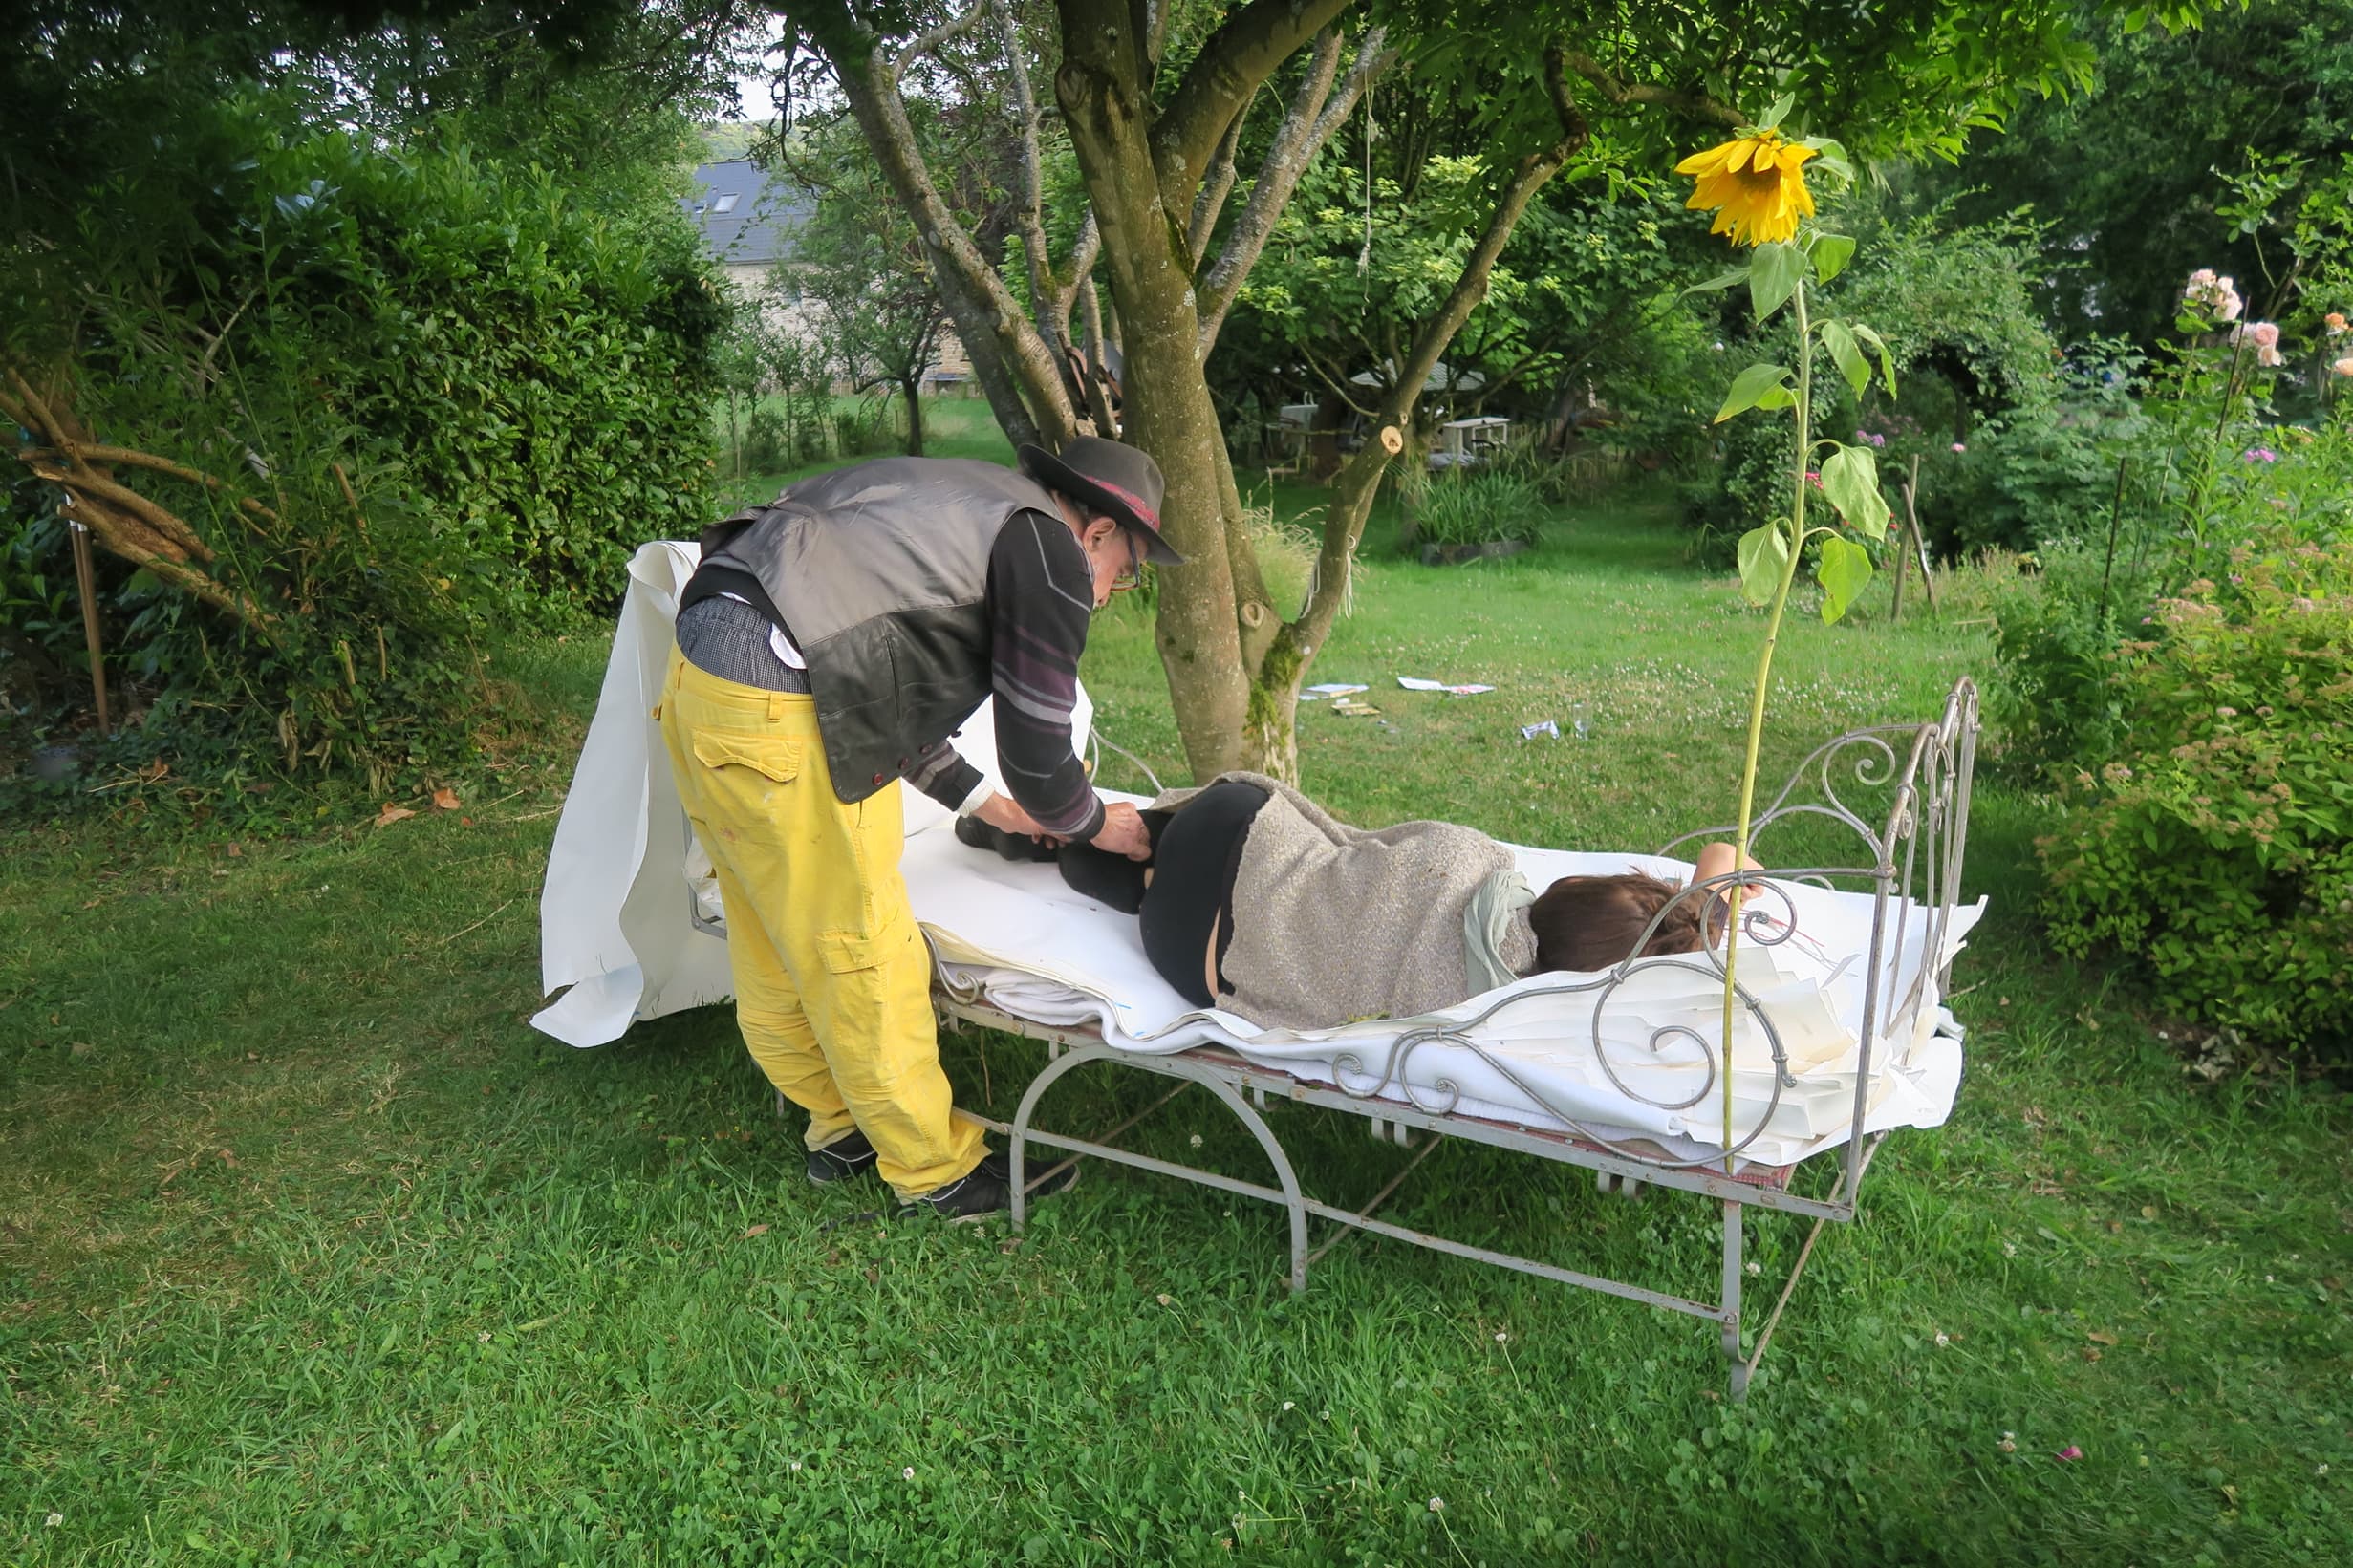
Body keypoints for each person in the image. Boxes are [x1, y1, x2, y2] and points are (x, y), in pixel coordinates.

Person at [657, 439, 1177, 1219]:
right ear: (1098, 532)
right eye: (1123, 572)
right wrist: (1098, 824)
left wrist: (988, 805)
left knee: (769, 931)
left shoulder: (960, 500)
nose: (1105, 595)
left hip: (704, 682)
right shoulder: (1048, 549)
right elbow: (1038, 756)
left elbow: (872, 686)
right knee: (865, 949)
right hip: (777, 704)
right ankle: (936, 1173)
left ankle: (842, 1126)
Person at [960, 774, 1761, 1031]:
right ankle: (1107, 868)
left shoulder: (1477, 860)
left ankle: (1090, 829)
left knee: (1298, 858)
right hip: (1186, 952)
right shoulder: (1481, 1016)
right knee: (1162, 895)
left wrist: (1704, 889)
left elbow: (1353, 840)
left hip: (1227, 831)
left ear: (1568, 891)